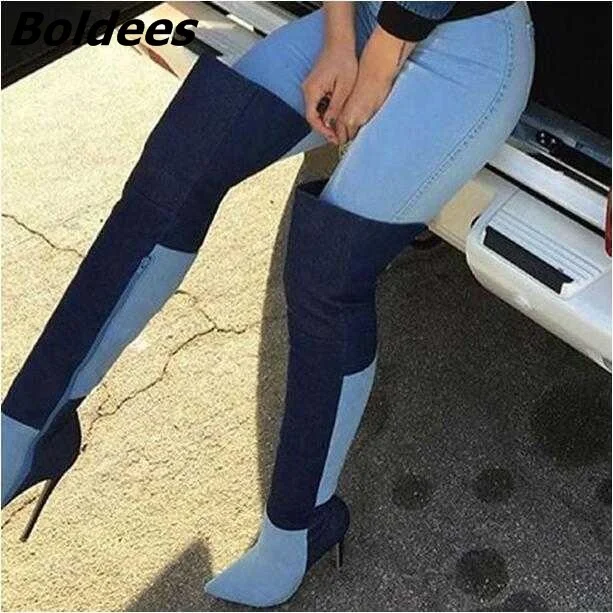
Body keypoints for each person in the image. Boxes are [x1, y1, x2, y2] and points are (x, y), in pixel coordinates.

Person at [1, 1, 535, 607]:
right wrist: (339, 41)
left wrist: (378, 68)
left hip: (470, 46)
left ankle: (298, 530)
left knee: (327, 273)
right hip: (366, 15)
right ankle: (25, 432)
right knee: (181, 162)